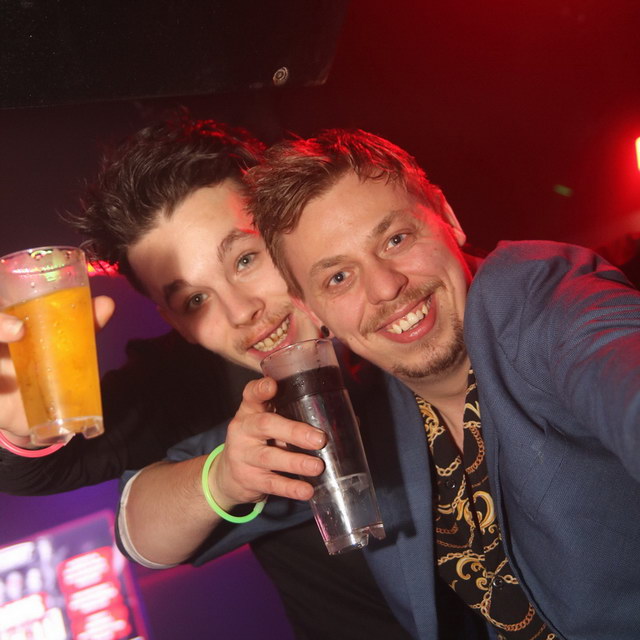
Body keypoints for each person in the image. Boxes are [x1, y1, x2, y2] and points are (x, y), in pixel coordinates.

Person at [0, 117, 415, 639]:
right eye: (195, 299)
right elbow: (49, 475)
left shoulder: (410, 292)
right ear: (174, 321)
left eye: (245, 259)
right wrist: (19, 415)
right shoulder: (187, 382)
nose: (241, 312)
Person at [246, 129, 640, 639]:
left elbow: (613, 360)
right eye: (338, 278)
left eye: (396, 239)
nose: (385, 286)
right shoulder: (356, 404)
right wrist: (223, 478)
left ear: (448, 219)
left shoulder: (540, 300)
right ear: (310, 309)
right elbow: (155, 532)